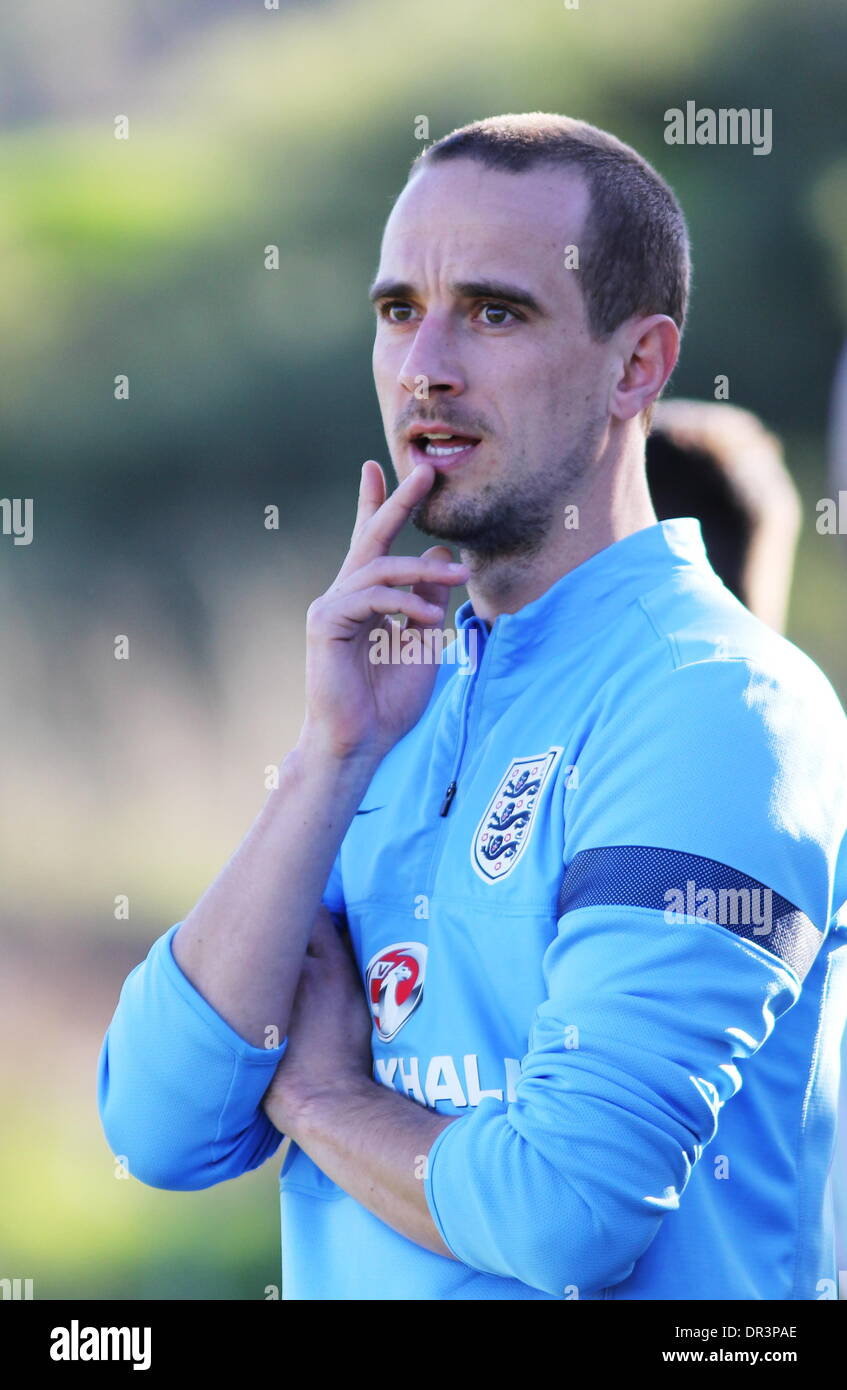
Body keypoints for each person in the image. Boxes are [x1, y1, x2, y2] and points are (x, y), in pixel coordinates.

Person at [98, 113, 847, 1301]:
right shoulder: (389, 694)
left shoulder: (719, 702)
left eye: (495, 312)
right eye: (399, 310)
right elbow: (157, 1124)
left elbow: (567, 1214)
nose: (423, 366)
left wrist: (327, 1095)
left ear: (638, 364)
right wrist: (328, 754)